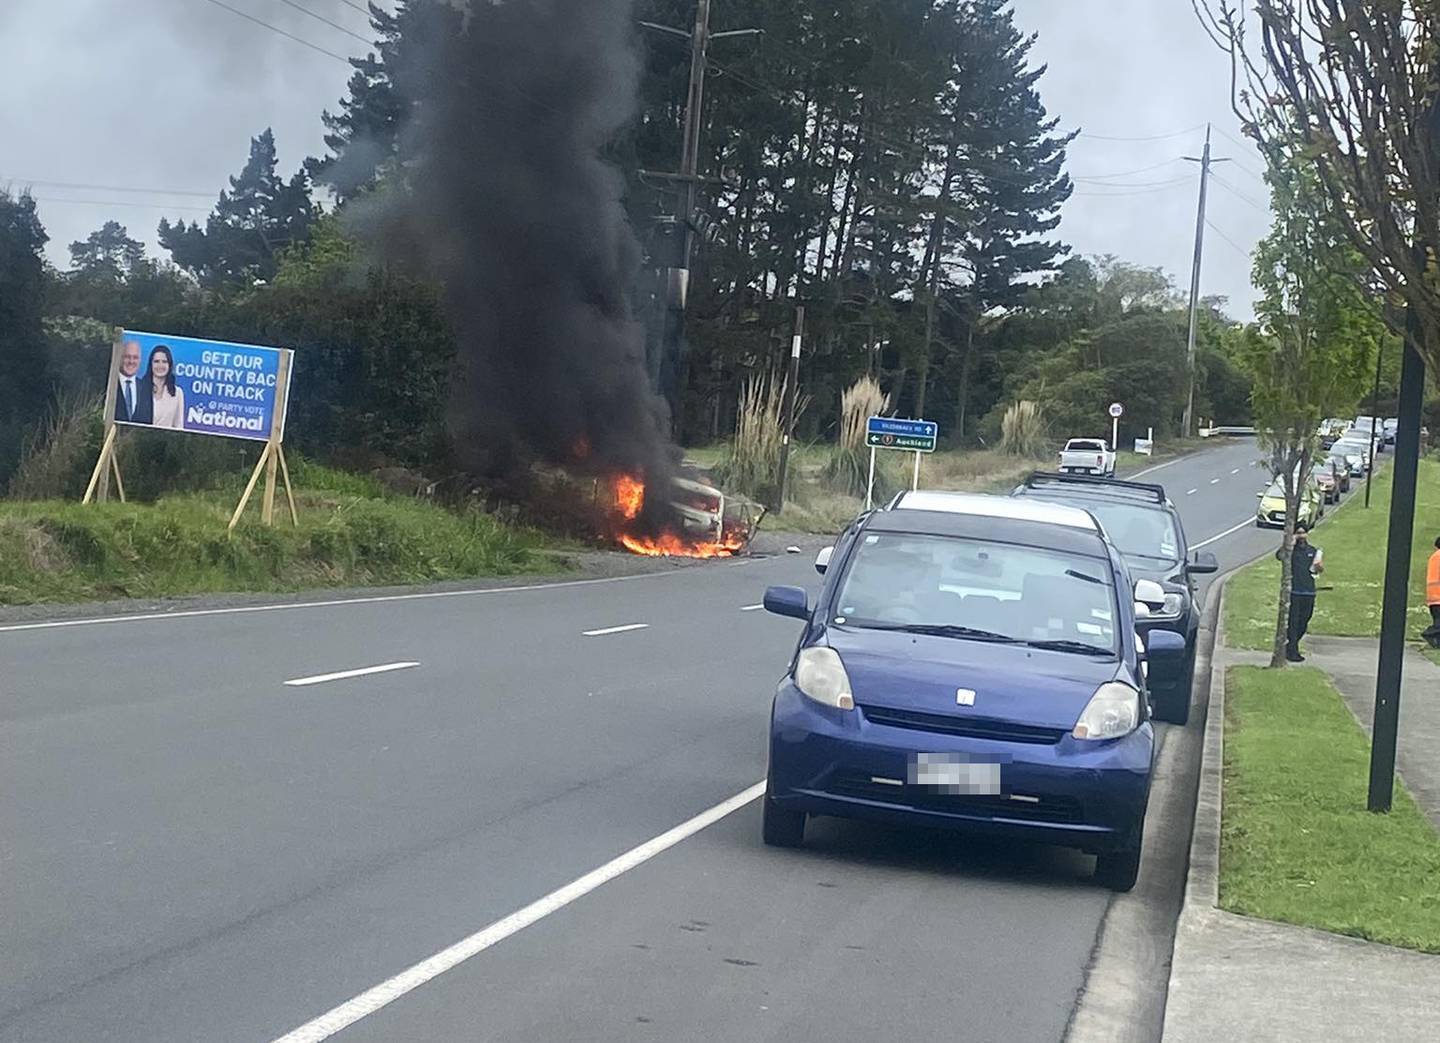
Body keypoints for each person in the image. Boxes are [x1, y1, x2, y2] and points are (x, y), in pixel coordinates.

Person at [1278, 523, 1322, 662]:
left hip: (1309, 591)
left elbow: (1318, 570)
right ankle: (1292, 651)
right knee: (1293, 622)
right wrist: (1289, 543)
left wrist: (1319, 567)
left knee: (1304, 621)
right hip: (1294, 591)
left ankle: (1290, 645)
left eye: (1303, 533)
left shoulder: (1312, 551)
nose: (1301, 536)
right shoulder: (1290, 551)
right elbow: (1280, 556)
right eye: (1298, 533)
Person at [144, 344, 185, 430]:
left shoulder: (177, 393)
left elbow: (178, 425)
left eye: (164, 361)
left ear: (169, 365)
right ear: (151, 364)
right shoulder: (139, 388)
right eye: (156, 361)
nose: (160, 365)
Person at [113, 339, 153, 425]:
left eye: (135, 357)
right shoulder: (110, 383)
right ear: (120, 358)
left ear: (140, 360)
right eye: (127, 357)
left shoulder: (147, 388)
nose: (131, 361)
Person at [1424, 536, 1440, 648]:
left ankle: (1436, 643)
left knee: (1438, 622)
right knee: (1438, 625)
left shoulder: (1435, 556)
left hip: (1433, 597)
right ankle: (1429, 634)